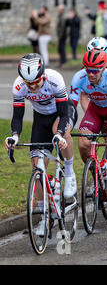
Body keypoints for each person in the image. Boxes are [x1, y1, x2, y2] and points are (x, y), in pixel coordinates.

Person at [4, 53, 78, 234]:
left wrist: (60, 134)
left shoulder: (55, 79)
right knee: (37, 168)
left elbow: (64, 113)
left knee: (58, 132)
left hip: (62, 114)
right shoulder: (19, 86)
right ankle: (45, 217)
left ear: (43, 75)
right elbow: (18, 117)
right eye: (29, 84)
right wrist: (15, 136)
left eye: (36, 81)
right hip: (40, 119)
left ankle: (69, 172)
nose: (34, 86)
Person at [69, 49, 107, 201]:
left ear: (104, 67)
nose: (91, 74)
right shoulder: (79, 78)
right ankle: (97, 176)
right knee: (83, 143)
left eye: (95, 70)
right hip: (96, 110)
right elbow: (70, 106)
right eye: (88, 70)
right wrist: (65, 125)